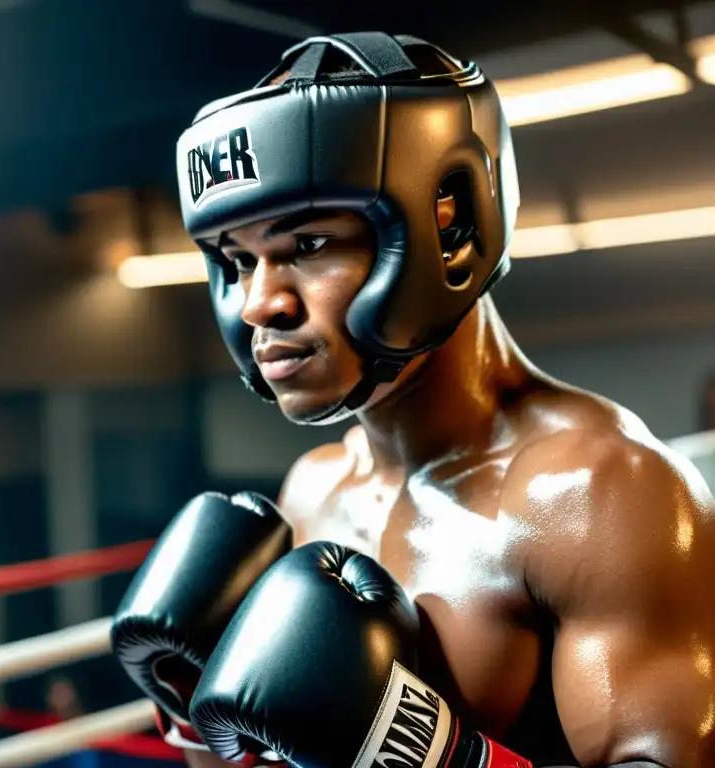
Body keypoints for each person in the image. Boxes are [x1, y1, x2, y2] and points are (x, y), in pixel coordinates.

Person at [111, 31, 715, 768]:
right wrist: (193, 716)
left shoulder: (599, 494)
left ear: (448, 226)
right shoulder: (314, 487)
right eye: (237, 261)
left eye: (307, 245)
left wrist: (438, 757)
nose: (259, 303)